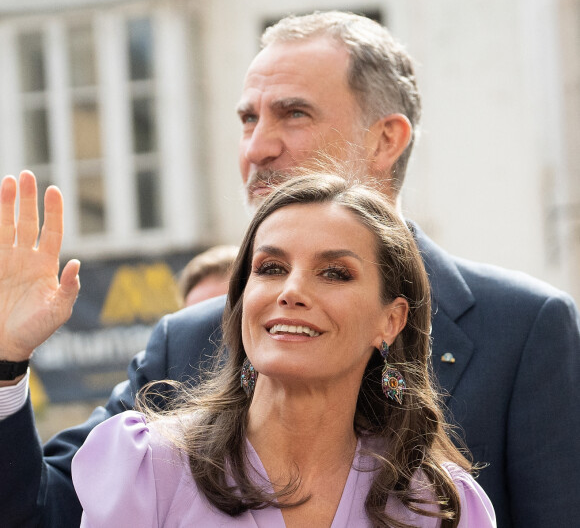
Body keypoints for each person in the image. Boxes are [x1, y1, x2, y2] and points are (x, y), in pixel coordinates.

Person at [0, 11, 578, 528]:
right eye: (248, 119)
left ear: (386, 140)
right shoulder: (187, 341)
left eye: (292, 114)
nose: (258, 147)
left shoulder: (525, 328)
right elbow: (44, 510)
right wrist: (5, 364)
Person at [71, 173, 496, 527]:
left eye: (334, 273)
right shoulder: (148, 469)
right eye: (271, 268)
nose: (292, 291)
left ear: (391, 320)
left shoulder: (439, 507)